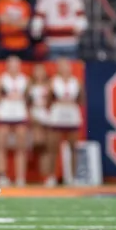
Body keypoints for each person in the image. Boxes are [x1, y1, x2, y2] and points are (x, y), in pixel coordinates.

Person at [46, 57, 83, 187]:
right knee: (53, 147)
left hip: (71, 113)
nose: (65, 69)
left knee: (73, 147)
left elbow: (81, 99)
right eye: (62, 66)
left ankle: (73, 177)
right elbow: (48, 100)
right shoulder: (53, 82)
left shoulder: (76, 82)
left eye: (67, 66)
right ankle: (51, 176)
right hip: (58, 113)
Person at [0, 56, 29, 187]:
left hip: (19, 113)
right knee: (1, 146)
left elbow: (27, 98)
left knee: (21, 147)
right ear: (7, 66)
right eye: (11, 65)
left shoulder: (25, 80)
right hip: (5, 114)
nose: (14, 68)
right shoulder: (1, 80)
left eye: (16, 65)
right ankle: (2, 175)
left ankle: (20, 177)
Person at [28, 63, 51, 183]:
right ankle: (34, 174)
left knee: (46, 147)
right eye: (37, 71)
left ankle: (46, 176)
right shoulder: (30, 86)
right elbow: (27, 102)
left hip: (47, 115)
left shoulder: (49, 85)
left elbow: (52, 101)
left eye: (41, 71)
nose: (39, 74)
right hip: (35, 115)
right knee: (38, 143)